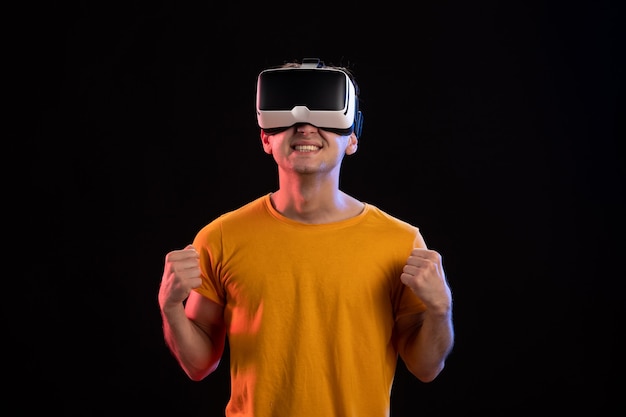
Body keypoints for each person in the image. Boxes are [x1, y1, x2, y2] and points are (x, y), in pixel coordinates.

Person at [158, 58, 454, 416]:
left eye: (324, 108)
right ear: (266, 137)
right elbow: (198, 364)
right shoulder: (219, 237)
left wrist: (440, 310)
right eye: (289, 110)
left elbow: (425, 367)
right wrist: (170, 306)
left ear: (352, 139)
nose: (305, 124)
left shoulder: (401, 242)